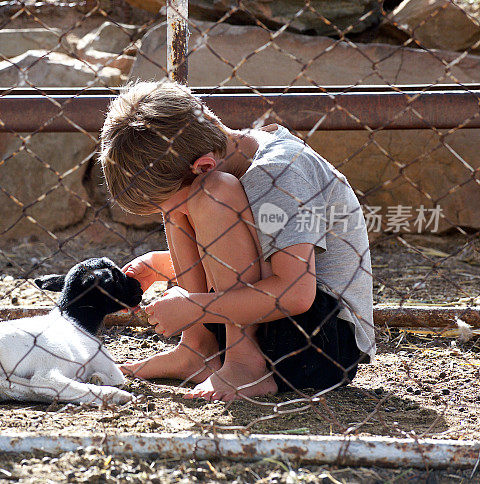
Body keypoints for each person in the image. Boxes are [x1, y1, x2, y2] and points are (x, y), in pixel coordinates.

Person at [98, 80, 374, 400]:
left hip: (319, 341)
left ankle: (245, 364)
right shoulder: (225, 153)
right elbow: (250, 249)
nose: (173, 217)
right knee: (183, 202)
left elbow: (297, 293)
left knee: (209, 193)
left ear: (204, 165)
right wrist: (165, 264)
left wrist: (196, 306)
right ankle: (198, 349)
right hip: (258, 318)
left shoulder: (280, 174)